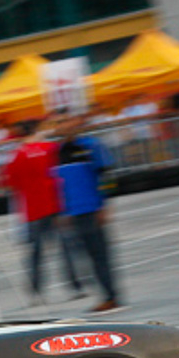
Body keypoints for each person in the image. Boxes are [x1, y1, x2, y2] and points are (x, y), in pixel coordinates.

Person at [2, 120, 82, 303]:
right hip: (55, 204)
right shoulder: (51, 148)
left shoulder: (17, 155)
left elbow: (9, 182)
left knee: (35, 253)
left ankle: (35, 292)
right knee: (66, 248)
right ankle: (75, 286)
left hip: (33, 209)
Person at [55, 115, 124, 313]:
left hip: (92, 210)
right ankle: (105, 295)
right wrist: (62, 211)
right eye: (60, 122)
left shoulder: (91, 146)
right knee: (84, 258)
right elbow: (58, 185)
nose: (65, 125)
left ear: (76, 123)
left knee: (100, 255)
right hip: (72, 212)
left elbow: (106, 177)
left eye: (67, 120)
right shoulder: (58, 152)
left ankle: (111, 296)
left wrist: (104, 206)